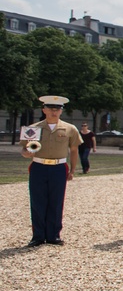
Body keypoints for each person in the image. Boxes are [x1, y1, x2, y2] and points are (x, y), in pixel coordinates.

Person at [19, 95, 82, 247]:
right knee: (37, 201)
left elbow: (74, 150)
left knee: (56, 201)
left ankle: (54, 235)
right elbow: (24, 148)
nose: (54, 112)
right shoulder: (33, 129)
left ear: (61, 111)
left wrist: (72, 170)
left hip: (59, 167)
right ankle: (38, 236)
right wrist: (26, 153)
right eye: (51, 109)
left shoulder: (70, 129)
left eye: (57, 109)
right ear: (44, 109)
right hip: (39, 166)